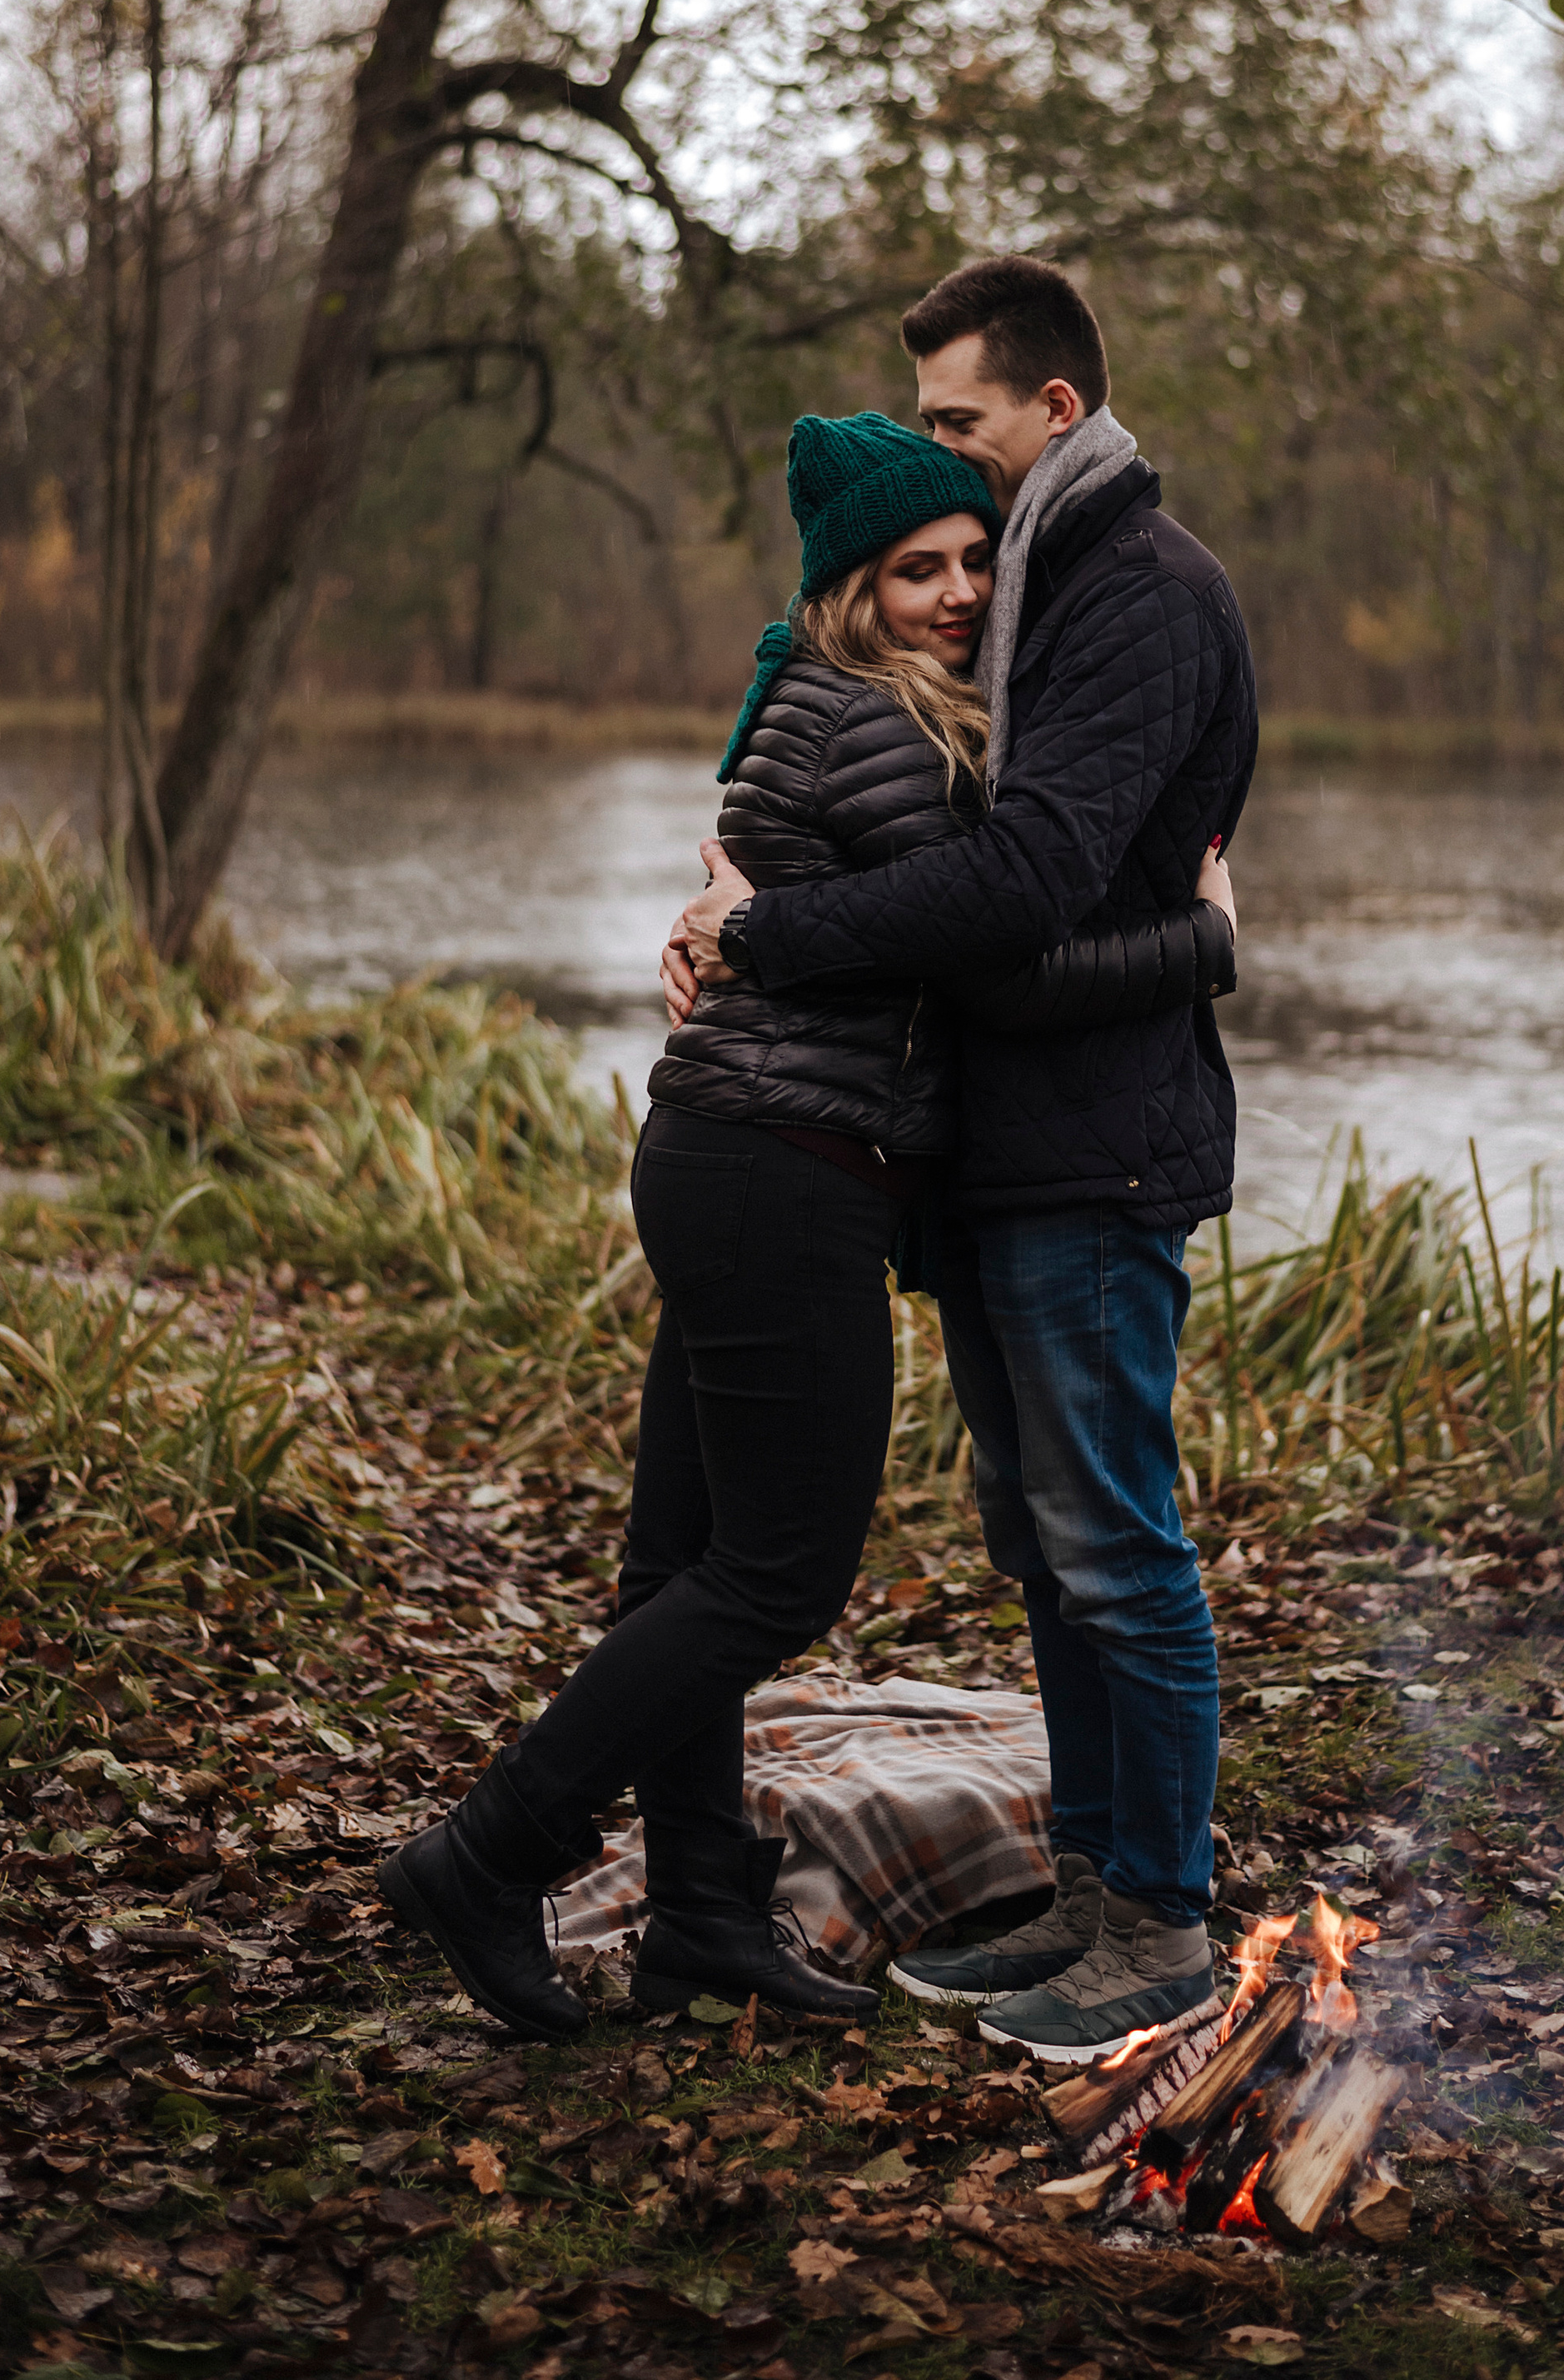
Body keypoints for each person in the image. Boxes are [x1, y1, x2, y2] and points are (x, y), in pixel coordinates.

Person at [382, 405, 1235, 2042]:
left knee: (679, 1562)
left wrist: (745, 926)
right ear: (853, 588)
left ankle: (703, 1915)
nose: (959, 591)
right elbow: (994, 958)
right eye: (918, 568)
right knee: (778, 1576)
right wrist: (1199, 943)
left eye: (975, 557)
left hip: (734, 1154)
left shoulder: (845, 705)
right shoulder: (878, 726)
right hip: (785, 1170)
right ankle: (489, 1853)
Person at [672, 257, 1256, 2068]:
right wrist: (730, 907)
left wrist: (766, 938)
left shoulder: (1138, 592)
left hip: (1100, 1149)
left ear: (1052, 410)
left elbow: (1018, 893)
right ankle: (1083, 1886)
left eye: (957, 418)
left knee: (1117, 1543)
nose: (939, 453)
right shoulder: (1031, 581)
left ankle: (1160, 1917)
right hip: (1005, 1152)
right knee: (1047, 1547)